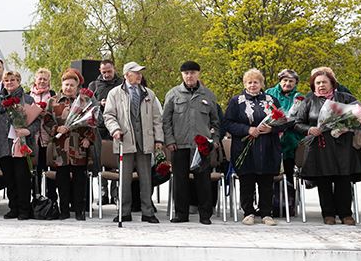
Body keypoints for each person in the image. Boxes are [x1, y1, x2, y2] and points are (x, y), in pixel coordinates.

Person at [291, 69, 361, 225]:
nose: (321, 85)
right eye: (317, 83)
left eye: (324, 82)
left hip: (343, 146)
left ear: (332, 83)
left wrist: (348, 128)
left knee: (343, 180)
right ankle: (328, 214)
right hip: (319, 146)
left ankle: (345, 214)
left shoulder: (346, 99)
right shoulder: (308, 101)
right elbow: (297, 124)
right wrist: (309, 129)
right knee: (324, 180)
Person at [224, 69, 291, 226]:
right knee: (247, 181)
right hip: (244, 148)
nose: (252, 85)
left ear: (262, 84)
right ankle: (248, 212)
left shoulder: (271, 100)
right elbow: (227, 123)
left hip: (268, 148)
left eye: (256, 82)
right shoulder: (236, 101)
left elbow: (284, 122)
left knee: (266, 182)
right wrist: (247, 129)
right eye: (249, 82)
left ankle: (266, 213)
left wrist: (271, 129)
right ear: (244, 84)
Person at [103, 62, 164, 224]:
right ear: (126, 74)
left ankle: (148, 212)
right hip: (124, 141)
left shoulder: (149, 94)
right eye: (136, 73)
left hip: (145, 142)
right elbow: (108, 115)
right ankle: (124, 212)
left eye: (140, 73)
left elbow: (157, 119)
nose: (140, 75)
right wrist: (115, 129)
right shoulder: (114, 93)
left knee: (146, 179)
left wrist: (159, 140)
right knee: (124, 179)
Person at [163, 61, 221, 225]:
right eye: (186, 73)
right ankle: (181, 213)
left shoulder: (208, 95)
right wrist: (169, 140)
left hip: (201, 147)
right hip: (179, 145)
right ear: (182, 75)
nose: (189, 76)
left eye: (193, 73)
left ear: (198, 74)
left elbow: (215, 122)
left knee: (203, 181)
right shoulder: (173, 94)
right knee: (180, 181)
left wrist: (215, 141)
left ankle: (205, 215)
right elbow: (165, 121)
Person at [44, 70, 96, 220]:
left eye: (72, 85)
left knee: (80, 180)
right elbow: (47, 121)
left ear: (77, 86)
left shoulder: (84, 101)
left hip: (79, 146)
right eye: (66, 84)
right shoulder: (53, 101)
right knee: (62, 181)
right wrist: (56, 128)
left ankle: (80, 211)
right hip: (60, 147)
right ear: (61, 84)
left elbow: (93, 123)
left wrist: (88, 139)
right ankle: (64, 210)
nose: (69, 88)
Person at [0, 70, 40, 220]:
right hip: (3, 145)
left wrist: (27, 131)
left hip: (22, 144)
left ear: (19, 82)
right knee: (9, 178)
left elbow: (37, 121)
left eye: (12, 80)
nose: (8, 83)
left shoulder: (27, 99)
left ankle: (24, 209)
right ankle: (13, 208)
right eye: (6, 81)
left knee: (22, 178)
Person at [266, 69, 302, 216]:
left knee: (287, 173)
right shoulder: (269, 93)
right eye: (285, 80)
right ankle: (267, 205)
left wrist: (285, 124)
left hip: (290, 141)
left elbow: (300, 118)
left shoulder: (299, 98)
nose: (287, 83)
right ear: (280, 81)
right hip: (270, 139)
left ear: (295, 83)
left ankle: (288, 205)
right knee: (268, 174)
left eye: (291, 81)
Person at [88, 59, 124, 205]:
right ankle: (103, 193)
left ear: (114, 68)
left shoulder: (122, 83)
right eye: (104, 72)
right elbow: (89, 106)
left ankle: (115, 194)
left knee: (115, 161)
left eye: (109, 71)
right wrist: (100, 104)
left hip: (117, 127)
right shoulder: (93, 85)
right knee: (101, 160)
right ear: (100, 71)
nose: (107, 74)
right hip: (100, 128)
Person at [29, 68, 56, 200]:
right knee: (36, 169)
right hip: (34, 137)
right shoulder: (28, 95)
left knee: (48, 168)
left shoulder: (53, 95)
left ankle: (51, 196)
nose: (42, 81)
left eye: (45, 79)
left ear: (48, 81)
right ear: (35, 80)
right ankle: (36, 196)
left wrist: (47, 115)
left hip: (48, 136)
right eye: (40, 78)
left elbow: (56, 114)